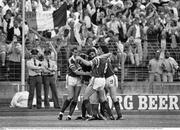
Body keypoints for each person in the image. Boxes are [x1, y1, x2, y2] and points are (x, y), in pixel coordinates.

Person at [75, 45, 115, 121]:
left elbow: (88, 64)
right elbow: (109, 53)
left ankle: (91, 115)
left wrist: (80, 58)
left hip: (96, 79)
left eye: (99, 49)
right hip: (102, 80)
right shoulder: (106, 58)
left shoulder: (97, 58)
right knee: (102, 99)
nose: (97, 50)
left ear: (102, 51)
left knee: (85, 97)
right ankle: (111, 115)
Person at [57, 47, 90, 120]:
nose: (76, 53)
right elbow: (76, 71)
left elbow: (85, 64)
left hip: (78, 79)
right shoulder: (70, 60)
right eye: (75, 52)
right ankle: (61, 113)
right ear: (72, 53)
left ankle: (69, 116)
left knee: (75, 98)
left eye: (77, 52)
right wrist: (87, 74)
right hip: (71, 78)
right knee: (70, 96)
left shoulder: (80, 59)